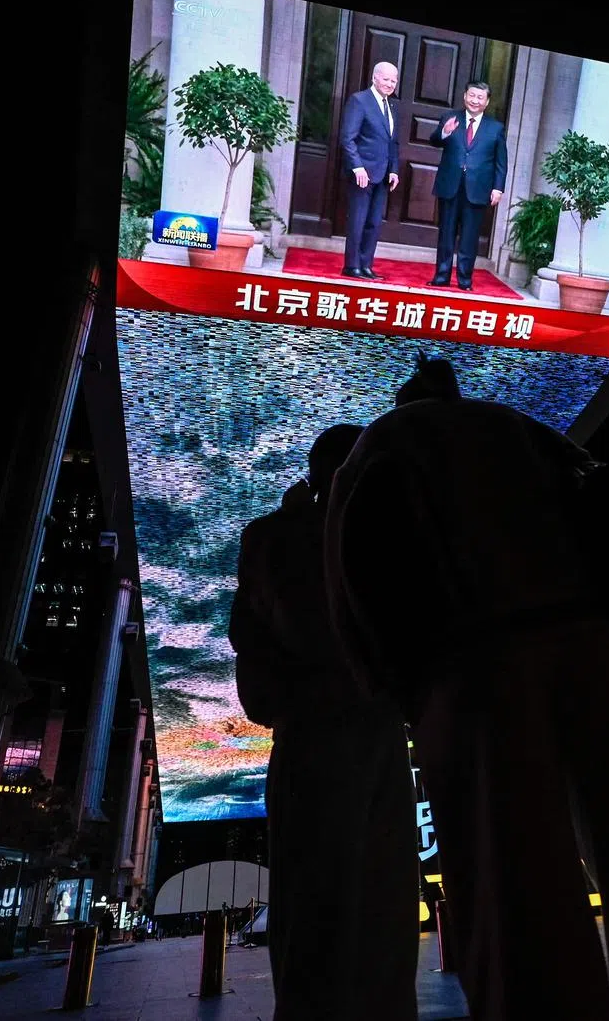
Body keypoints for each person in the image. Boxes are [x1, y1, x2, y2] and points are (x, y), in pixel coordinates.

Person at [323, 358, 609, 1021]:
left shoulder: (382, 443)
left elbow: (354, 570)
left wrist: (396, 685)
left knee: (514, 884)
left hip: (473, 666)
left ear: (404, 398)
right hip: (594, 647)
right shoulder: (521, 428)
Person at [229, 424, 418, 1021]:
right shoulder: (370, 536)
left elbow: (250, 636)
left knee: (322, 907)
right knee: (376, 906)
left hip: (321, 730)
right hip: (356, 727)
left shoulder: (273, 537)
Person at [426, 81, 507, 291]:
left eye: (480, 97)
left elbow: (501, 162)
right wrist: (444, 132)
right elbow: (434, 141)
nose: (475, 101)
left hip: (478, 189)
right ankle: (441, 276)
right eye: (472, 95)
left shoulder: (495, 128)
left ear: (487, 102)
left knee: (469, 237)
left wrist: (498, 188)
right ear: (465, 97)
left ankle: (464, 280)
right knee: (446, 233)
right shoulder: (450, 118)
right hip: (450, 185)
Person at [339, 62, 401, 280]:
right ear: (375, 78)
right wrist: (357, 167)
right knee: (358, 220)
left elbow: (393, 142)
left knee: (374, 223)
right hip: (362, 174)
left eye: (394, 80)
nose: (390, 84)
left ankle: (366, 265)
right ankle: (352, 265)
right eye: (386, 79)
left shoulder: (392, 106)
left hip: (383, 175)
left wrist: (394, 170)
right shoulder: (359, 100)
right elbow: (348, 138)